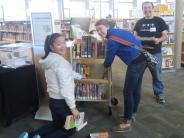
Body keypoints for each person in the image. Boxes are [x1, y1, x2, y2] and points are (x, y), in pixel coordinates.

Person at [19, 33, 82, 138]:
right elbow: (66, 89)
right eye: (58, 44)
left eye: (64, 42)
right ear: (51, 47)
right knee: (70, 129)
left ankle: (30, 136)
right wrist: (73, 109)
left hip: (53, 101)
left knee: (56, 125)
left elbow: (65, 72)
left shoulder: (50, 59)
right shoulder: (61, 63)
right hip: (62, 102)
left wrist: (79, 76)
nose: (63, 46)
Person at [95, 19, 147, 132]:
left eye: (100, 28)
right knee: (136, 89)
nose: (99, 32)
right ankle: (132, 114)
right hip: (143, 59)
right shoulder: (119, 31)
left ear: (107, 26)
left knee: (127, 92)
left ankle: (127, 123)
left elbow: (109, 58)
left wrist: (104, 67)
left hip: (135, 63)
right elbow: (135, 41)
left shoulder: (111, 39)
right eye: (97, 30)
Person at [134, 1, 168, 104]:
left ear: (153, 8)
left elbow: (165, 35)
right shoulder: (139, 22)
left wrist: (158, 40)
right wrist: (140, 38)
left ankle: (159, 93)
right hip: (141, 52)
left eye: (149, 7)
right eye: (145, 8)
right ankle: (135, 92)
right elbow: (135, 36)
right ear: (143, 10)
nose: (147, 10)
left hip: (155, 52)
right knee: (137, 73)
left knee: (156, 74)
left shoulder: (159, 21)